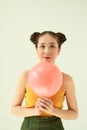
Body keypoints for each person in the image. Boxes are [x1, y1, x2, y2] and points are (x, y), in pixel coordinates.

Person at [11, 31, 78, 130]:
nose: (47, 51)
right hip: (29, 126)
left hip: (55, 127)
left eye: (52, 46)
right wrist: (34, 111)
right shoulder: (26, 76)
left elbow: (74, 114)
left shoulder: (66, 80)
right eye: (42, 46)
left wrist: (53, 111)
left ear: (59, 50)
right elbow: (14, 109)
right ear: (36, 49)